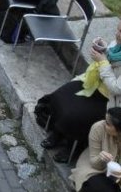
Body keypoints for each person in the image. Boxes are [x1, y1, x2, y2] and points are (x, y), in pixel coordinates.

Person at [40, 21, 121, 164]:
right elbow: (109, 60)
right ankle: (58, 132)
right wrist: (103, 50)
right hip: (95, 84)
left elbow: (116, 88)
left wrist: (102, 62)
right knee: (60, 96)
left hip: (110, 98)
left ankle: (73, 147)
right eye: (118, 29)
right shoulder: (118, 43)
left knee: (77, 115)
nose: (117, 34)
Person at [71, 109, 121, 191]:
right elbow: (94, 163)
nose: (104, 124)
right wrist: (100, 158)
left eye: (108, 124)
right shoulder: (98, 128)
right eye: (105, 120)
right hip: (96, 169)